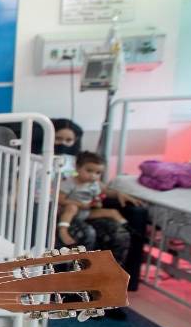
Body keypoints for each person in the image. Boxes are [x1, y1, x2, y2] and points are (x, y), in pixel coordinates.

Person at [52, 118, 147, 292]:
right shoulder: (43, 163)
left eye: (68, 140)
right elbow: (58, 195)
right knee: (88, 232)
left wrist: (119, 194)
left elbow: (103, 188)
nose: (63, 144)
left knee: (119, 233)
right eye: (58, 139)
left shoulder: (83, 167)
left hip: (88, 212)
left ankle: (108, 286)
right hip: (67, 212)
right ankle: (75, 287)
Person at [57, 151, 130, 263]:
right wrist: (80, 204)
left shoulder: (95, 184)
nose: (93, 175)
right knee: (72, 207)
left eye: (98, 173)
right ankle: (63, 230)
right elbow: (60, 199)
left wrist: (99, 201)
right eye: (89, 171)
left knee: (113, 212)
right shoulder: (70, 182)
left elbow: (102, 194)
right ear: (77, 167)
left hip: (87, 212)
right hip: (72, 212)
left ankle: (128, 228)